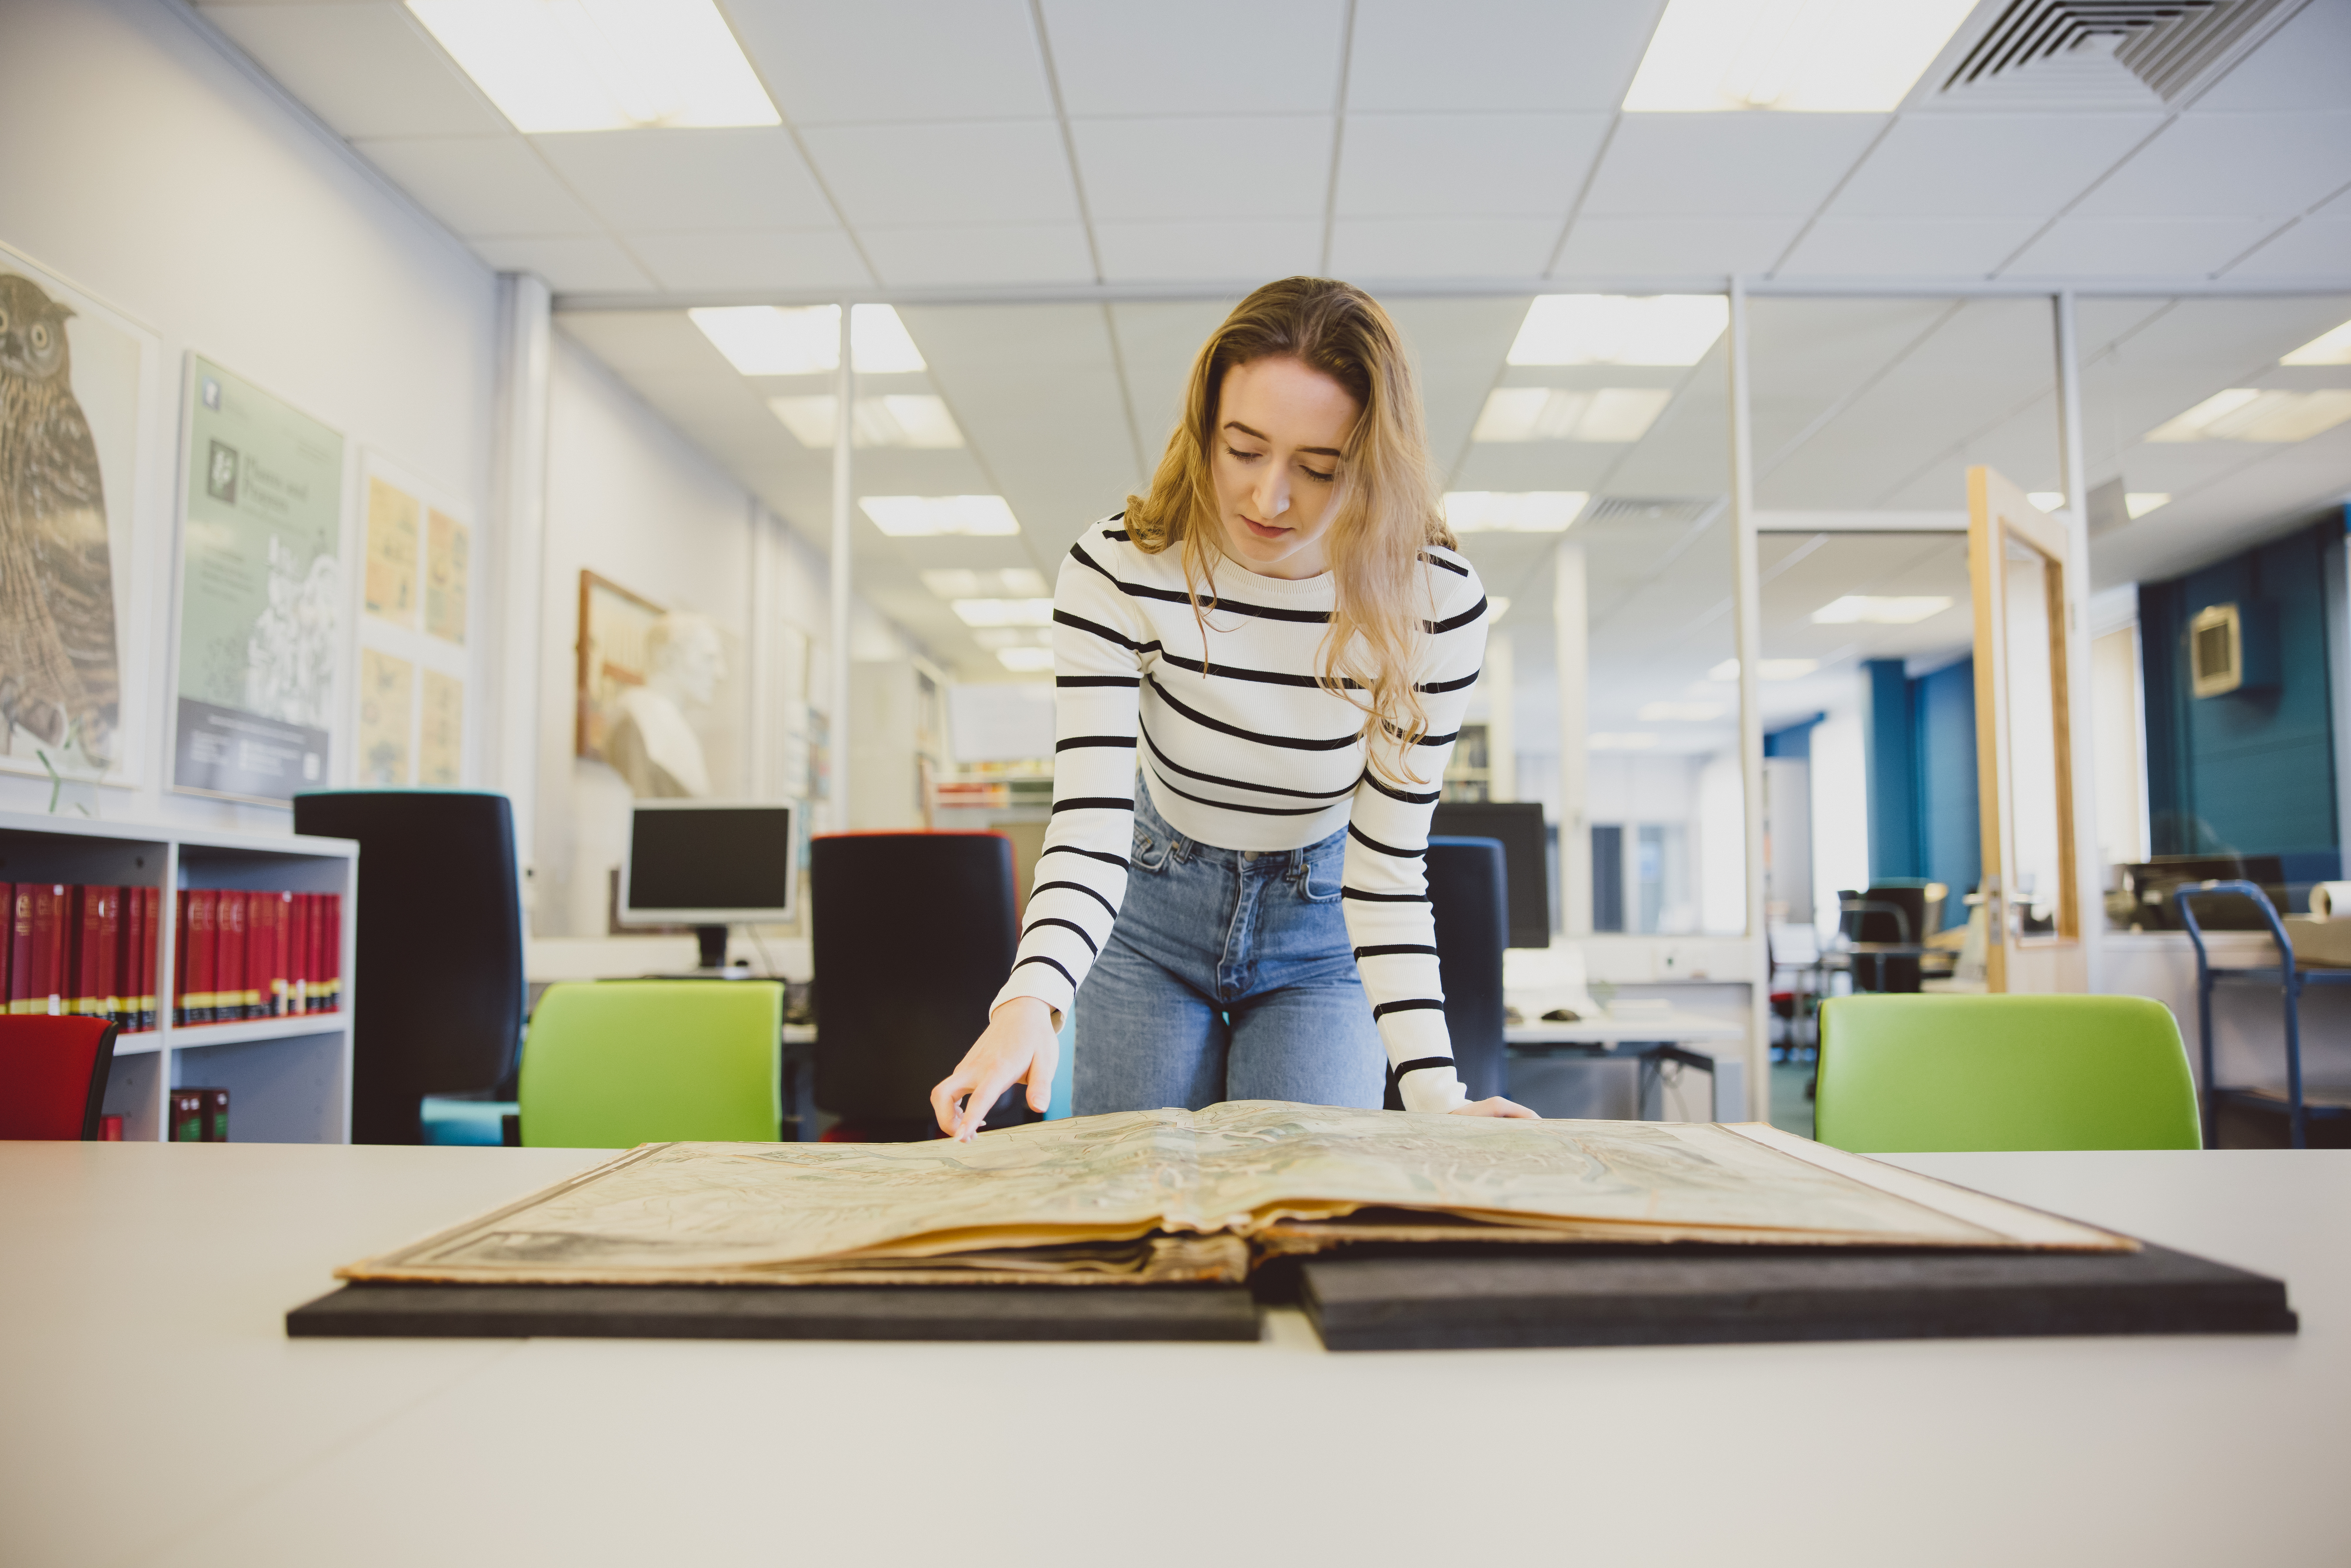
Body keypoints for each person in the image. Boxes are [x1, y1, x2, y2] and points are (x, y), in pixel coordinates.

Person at [931, 276, 1535, 1139]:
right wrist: (1030, 998)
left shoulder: (1432, 605)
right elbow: (1090, 825)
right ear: (1204, 427)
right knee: (1137, 1185)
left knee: (1304, 1188)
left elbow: (1388, 872)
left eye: (1319, 469)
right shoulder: (1121, 570)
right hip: (1150, 910)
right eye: (1243, 450)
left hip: (1322, 928)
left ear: (1372, 466)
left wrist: (1440, 1097)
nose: (1268, 498)